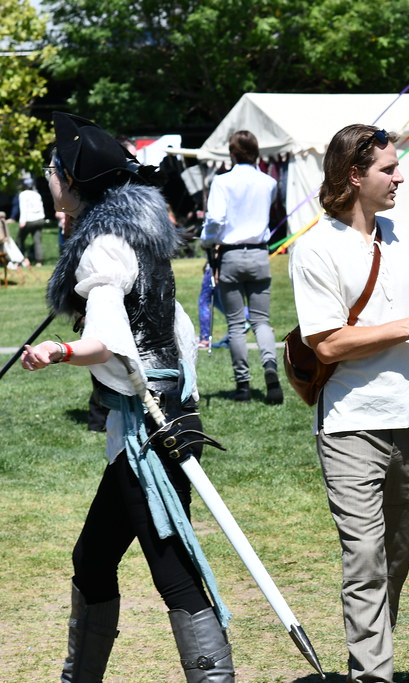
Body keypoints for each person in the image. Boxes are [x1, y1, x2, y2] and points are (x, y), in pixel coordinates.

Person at [21, 112, 234, 681]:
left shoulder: (102, 249)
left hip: (151, 428)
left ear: (71, 180)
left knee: (174, 570)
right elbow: (179, 331)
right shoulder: (134, 237)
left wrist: (59, 353)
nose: (48, 180)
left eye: (52, 171)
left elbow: (110, 342)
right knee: (92, 560)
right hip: (159, 417)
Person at [288, 124, 409, 682]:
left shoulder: (402, 240)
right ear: (353, 176)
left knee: (395, 558)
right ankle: (374, 675)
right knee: (363, 558)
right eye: (388, 168)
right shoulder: (315, 247)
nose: (400, 176)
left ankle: (370, 661)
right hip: (349, 422)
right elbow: (329, 342)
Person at [200, 130, 281, 403]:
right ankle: (270, 366)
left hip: (232, 255)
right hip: (259, 253)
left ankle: (243, 385)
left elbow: (216, 219)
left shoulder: (222, 182)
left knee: (235, 324)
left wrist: (207, 242)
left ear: (232, 153)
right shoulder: (268, 182)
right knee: (262, 321)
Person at [13, 176, 46, 266]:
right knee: (37, 240)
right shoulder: (37, 194)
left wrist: (22, 221)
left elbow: (23, 208)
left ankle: (22, 259)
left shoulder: (23, 194)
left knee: (19, 239)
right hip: (39, 219)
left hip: (29, 220)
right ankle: (39, 261)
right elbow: (41, 207)